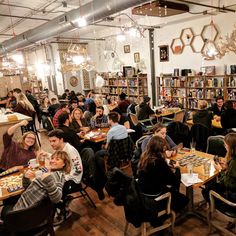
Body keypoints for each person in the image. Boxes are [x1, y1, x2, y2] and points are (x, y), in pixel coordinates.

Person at [1, 150, 71, 220]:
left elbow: (57, 199)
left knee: (5, 208)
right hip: (26, 208)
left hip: (25, 214)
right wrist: (26, 178)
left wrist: (48, 180)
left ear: (64, 164)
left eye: (57, 159)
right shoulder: (50, 173)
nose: (52, 161)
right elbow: (32, 188)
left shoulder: (58, 176)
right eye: (52, 158)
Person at [137, 136, 188, 215]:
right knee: (185, 200)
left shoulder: (144, 157)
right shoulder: (159, 162)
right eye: (164, 149)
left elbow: (159, 175)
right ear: (161, 150)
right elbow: (175, 182)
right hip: (155, 197)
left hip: (142, 194)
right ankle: (166, 214)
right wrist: (177, 168)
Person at [202, 133, 236, 203]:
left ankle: (220, 205)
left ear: (230, 147)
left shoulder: (234, 161)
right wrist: (227, 168)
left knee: (205, 191)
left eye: (226, 145)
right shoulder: (233, 159)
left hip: (232, 195)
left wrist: (220, 170)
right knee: (211, 186)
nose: (225, 146)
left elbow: (227, 183)